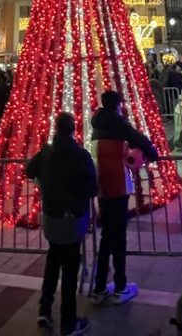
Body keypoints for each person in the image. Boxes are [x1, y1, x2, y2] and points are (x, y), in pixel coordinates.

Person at [26, 112, 97, 336]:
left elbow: (29, 170)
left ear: (55, 128)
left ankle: (44, 310)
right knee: (69, 270)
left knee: (52, 262)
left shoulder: (46, 152)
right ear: (73, 129)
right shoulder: (81, 156)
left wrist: (43, 184)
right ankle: (68, 322)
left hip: (51, 217)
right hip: (72, 220)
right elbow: (92, 188)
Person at [90, 91, 158, 305]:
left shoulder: (96, 125)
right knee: (118, 237)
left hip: (102, 186)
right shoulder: (119, 124)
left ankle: (99, 287)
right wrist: (152, 154)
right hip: (118, 185)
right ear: (118, 105)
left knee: (106, 237)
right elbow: (142, 140)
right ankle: (120, 286)